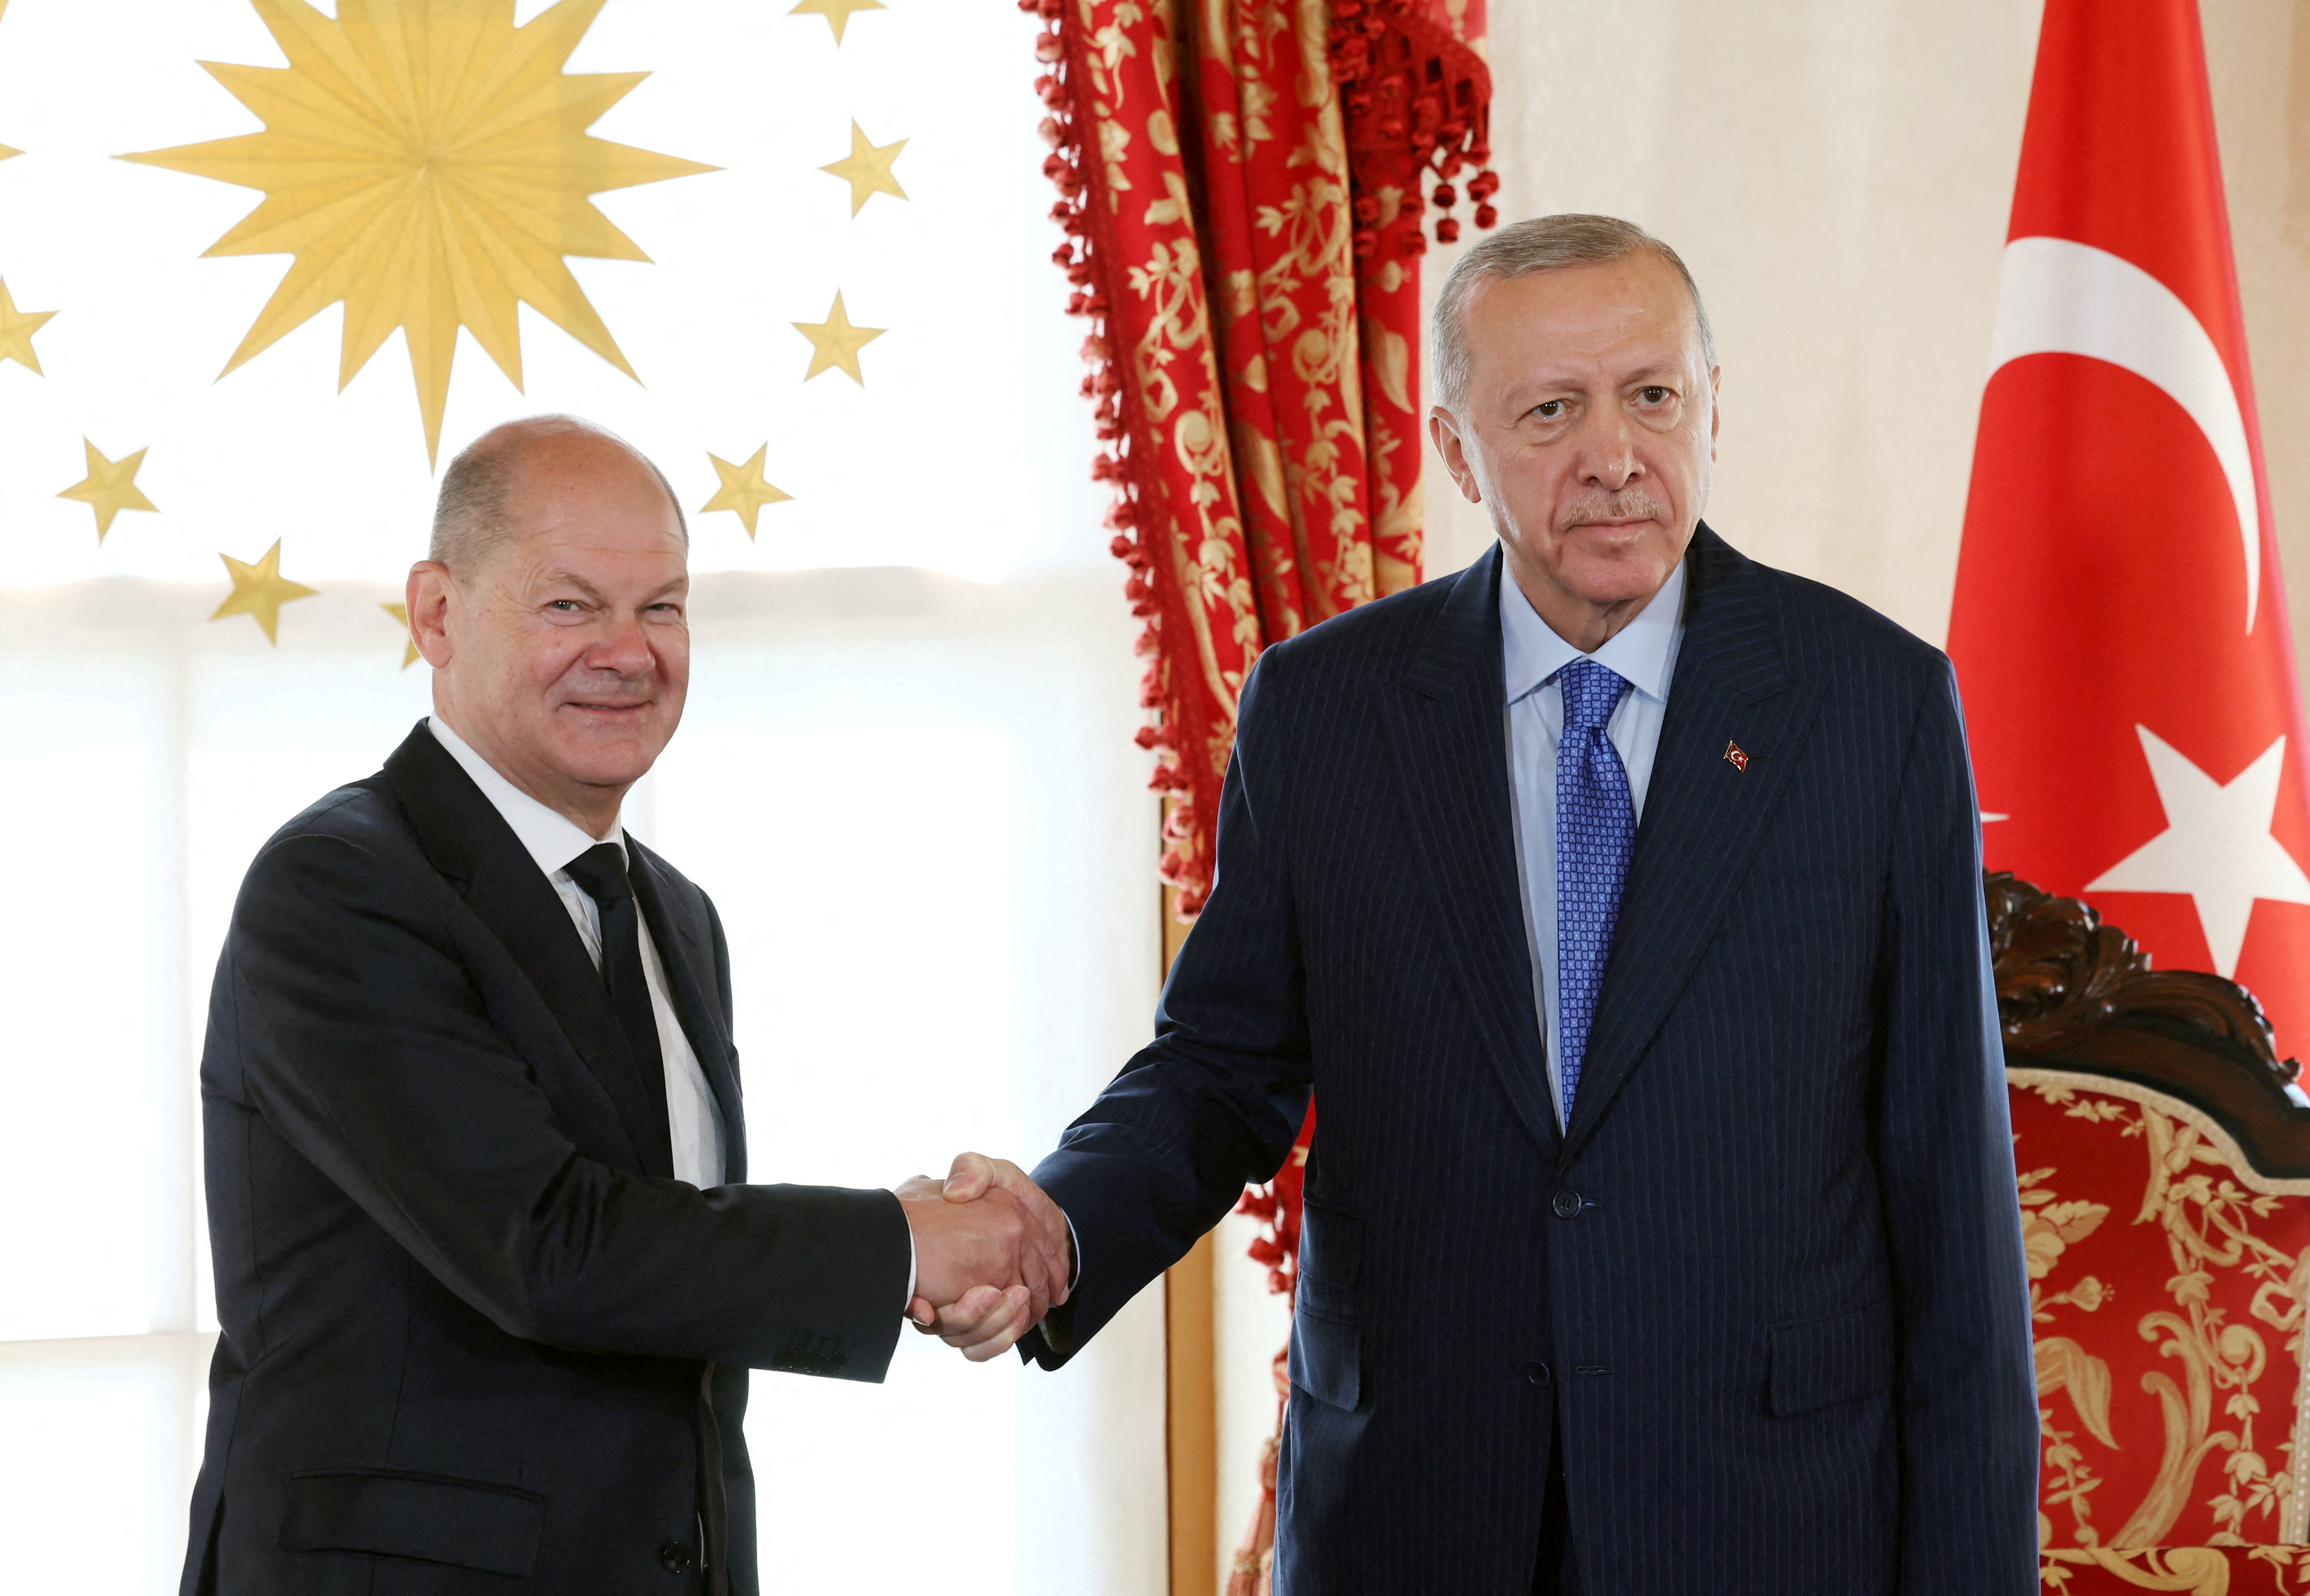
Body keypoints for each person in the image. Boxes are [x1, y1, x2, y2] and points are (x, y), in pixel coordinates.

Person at [927, 215, 2040, 1592]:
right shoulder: (1326, 710)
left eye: (1651, 397)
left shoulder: (1871, 704)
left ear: (1710, 409)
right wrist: (1058, 1226)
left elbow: (1948, 1191)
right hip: (1415, 1505)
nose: (1614, 456)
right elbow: (1220, 1067)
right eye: (1550, 411)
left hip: (1763, 1518)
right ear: (1457, 450)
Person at [178, 416, 1070, 1595]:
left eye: (662, 607)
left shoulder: (675, 914)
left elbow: (675, 1256)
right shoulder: (339, 886)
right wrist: (901, 1246)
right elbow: (548, 1248)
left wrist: (911, 1254)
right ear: (436, 614)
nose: (627, 652)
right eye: (569, 606)